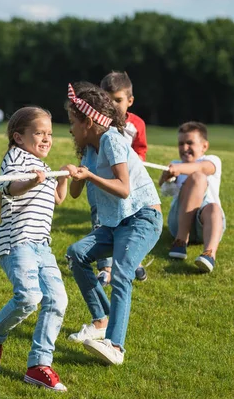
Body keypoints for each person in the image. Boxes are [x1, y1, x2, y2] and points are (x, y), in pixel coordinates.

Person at [65, 82, 163, 365]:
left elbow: (123, 188)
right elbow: (75, 192)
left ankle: (116, 347)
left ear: (89, 121)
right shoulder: (89, 150)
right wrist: (71, 174)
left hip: (142, 217)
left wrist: (90, 177)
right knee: (76, 253)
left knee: (121, 273)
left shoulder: (112, 140)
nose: (71, 130)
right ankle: (102, 321)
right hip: (115, 223)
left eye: (73, 123)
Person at [0, 106, 70, 391]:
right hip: (17, 244)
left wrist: (64, 176)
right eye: (39, 133)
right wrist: (31, 180)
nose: (46, 139)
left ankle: (39, 365)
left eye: (49, 134)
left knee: (57, 301)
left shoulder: (43, 165)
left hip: (43, 247)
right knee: (30, 298)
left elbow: (57, 199)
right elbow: (10, 188)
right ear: (19, 137)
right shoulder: (15, 158)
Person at [100, 71, 148, 282]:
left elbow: (141, 149)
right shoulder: (99, 121)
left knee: (129, 219)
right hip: (104, 181)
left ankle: (132, 260)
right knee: (103, 220)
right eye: (107, 99)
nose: (112, 105)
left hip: (128, 182)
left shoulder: (137, 125)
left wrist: (134, 165)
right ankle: (106, 267)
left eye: (118, 100)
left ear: (130, 101)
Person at [159, 121, 226, 273]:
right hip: (179, 223)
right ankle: (180, 240)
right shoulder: (174, 165)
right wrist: (166, 179)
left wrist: (178, 169)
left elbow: (201, 168)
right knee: (197, 178)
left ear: (204, 146)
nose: (184, 148)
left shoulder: (212, 160)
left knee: (212, 204)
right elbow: (166, 192)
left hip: (207, 226)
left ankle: (209, 254)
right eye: (181, 143)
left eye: (190, 143)